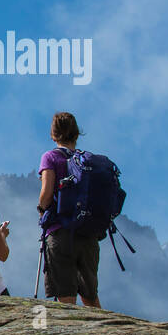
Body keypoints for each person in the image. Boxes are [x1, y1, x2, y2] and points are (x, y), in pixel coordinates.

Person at [37, 111, 100, 307]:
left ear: (53, 135)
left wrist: (41, 208)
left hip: (60, 234)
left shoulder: (50, 158)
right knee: (90, 296)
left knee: (66, 297)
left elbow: (47, 194)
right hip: (88, 235)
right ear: (77, 134)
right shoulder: (88, 161)